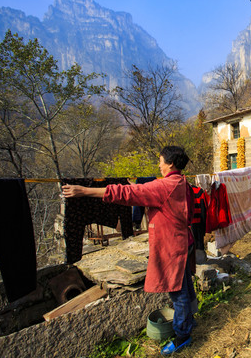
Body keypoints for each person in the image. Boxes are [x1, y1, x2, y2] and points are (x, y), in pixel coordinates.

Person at [62, 146, 196, 355]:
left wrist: (84, 191)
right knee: (185, 283)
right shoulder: (181, 182)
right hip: (184, 241)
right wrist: (136, 185)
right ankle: (189, 321)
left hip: (172, 246)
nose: (159, 165)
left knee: (178, 292)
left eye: (160, 161)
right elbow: (144, 189)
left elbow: (128, 194)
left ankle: (182, 336)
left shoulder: (164, 186)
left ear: (170, 163)